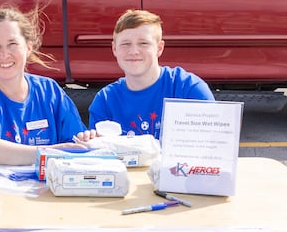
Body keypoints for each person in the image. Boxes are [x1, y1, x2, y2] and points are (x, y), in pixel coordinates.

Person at [0, 5, 96, 165]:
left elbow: (78, 145)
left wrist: (87, 139)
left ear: (28, 48)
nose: (4, 54)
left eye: (12, 44)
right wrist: (47, 154)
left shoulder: (50, 91)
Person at [89, 9, 214, 140]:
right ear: (114, 49)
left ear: (159, 48)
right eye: (125, 44)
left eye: (143, 43)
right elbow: (99, 154)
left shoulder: (188, 89)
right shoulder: (105, 100)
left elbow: (213, 146)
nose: (134, 51)